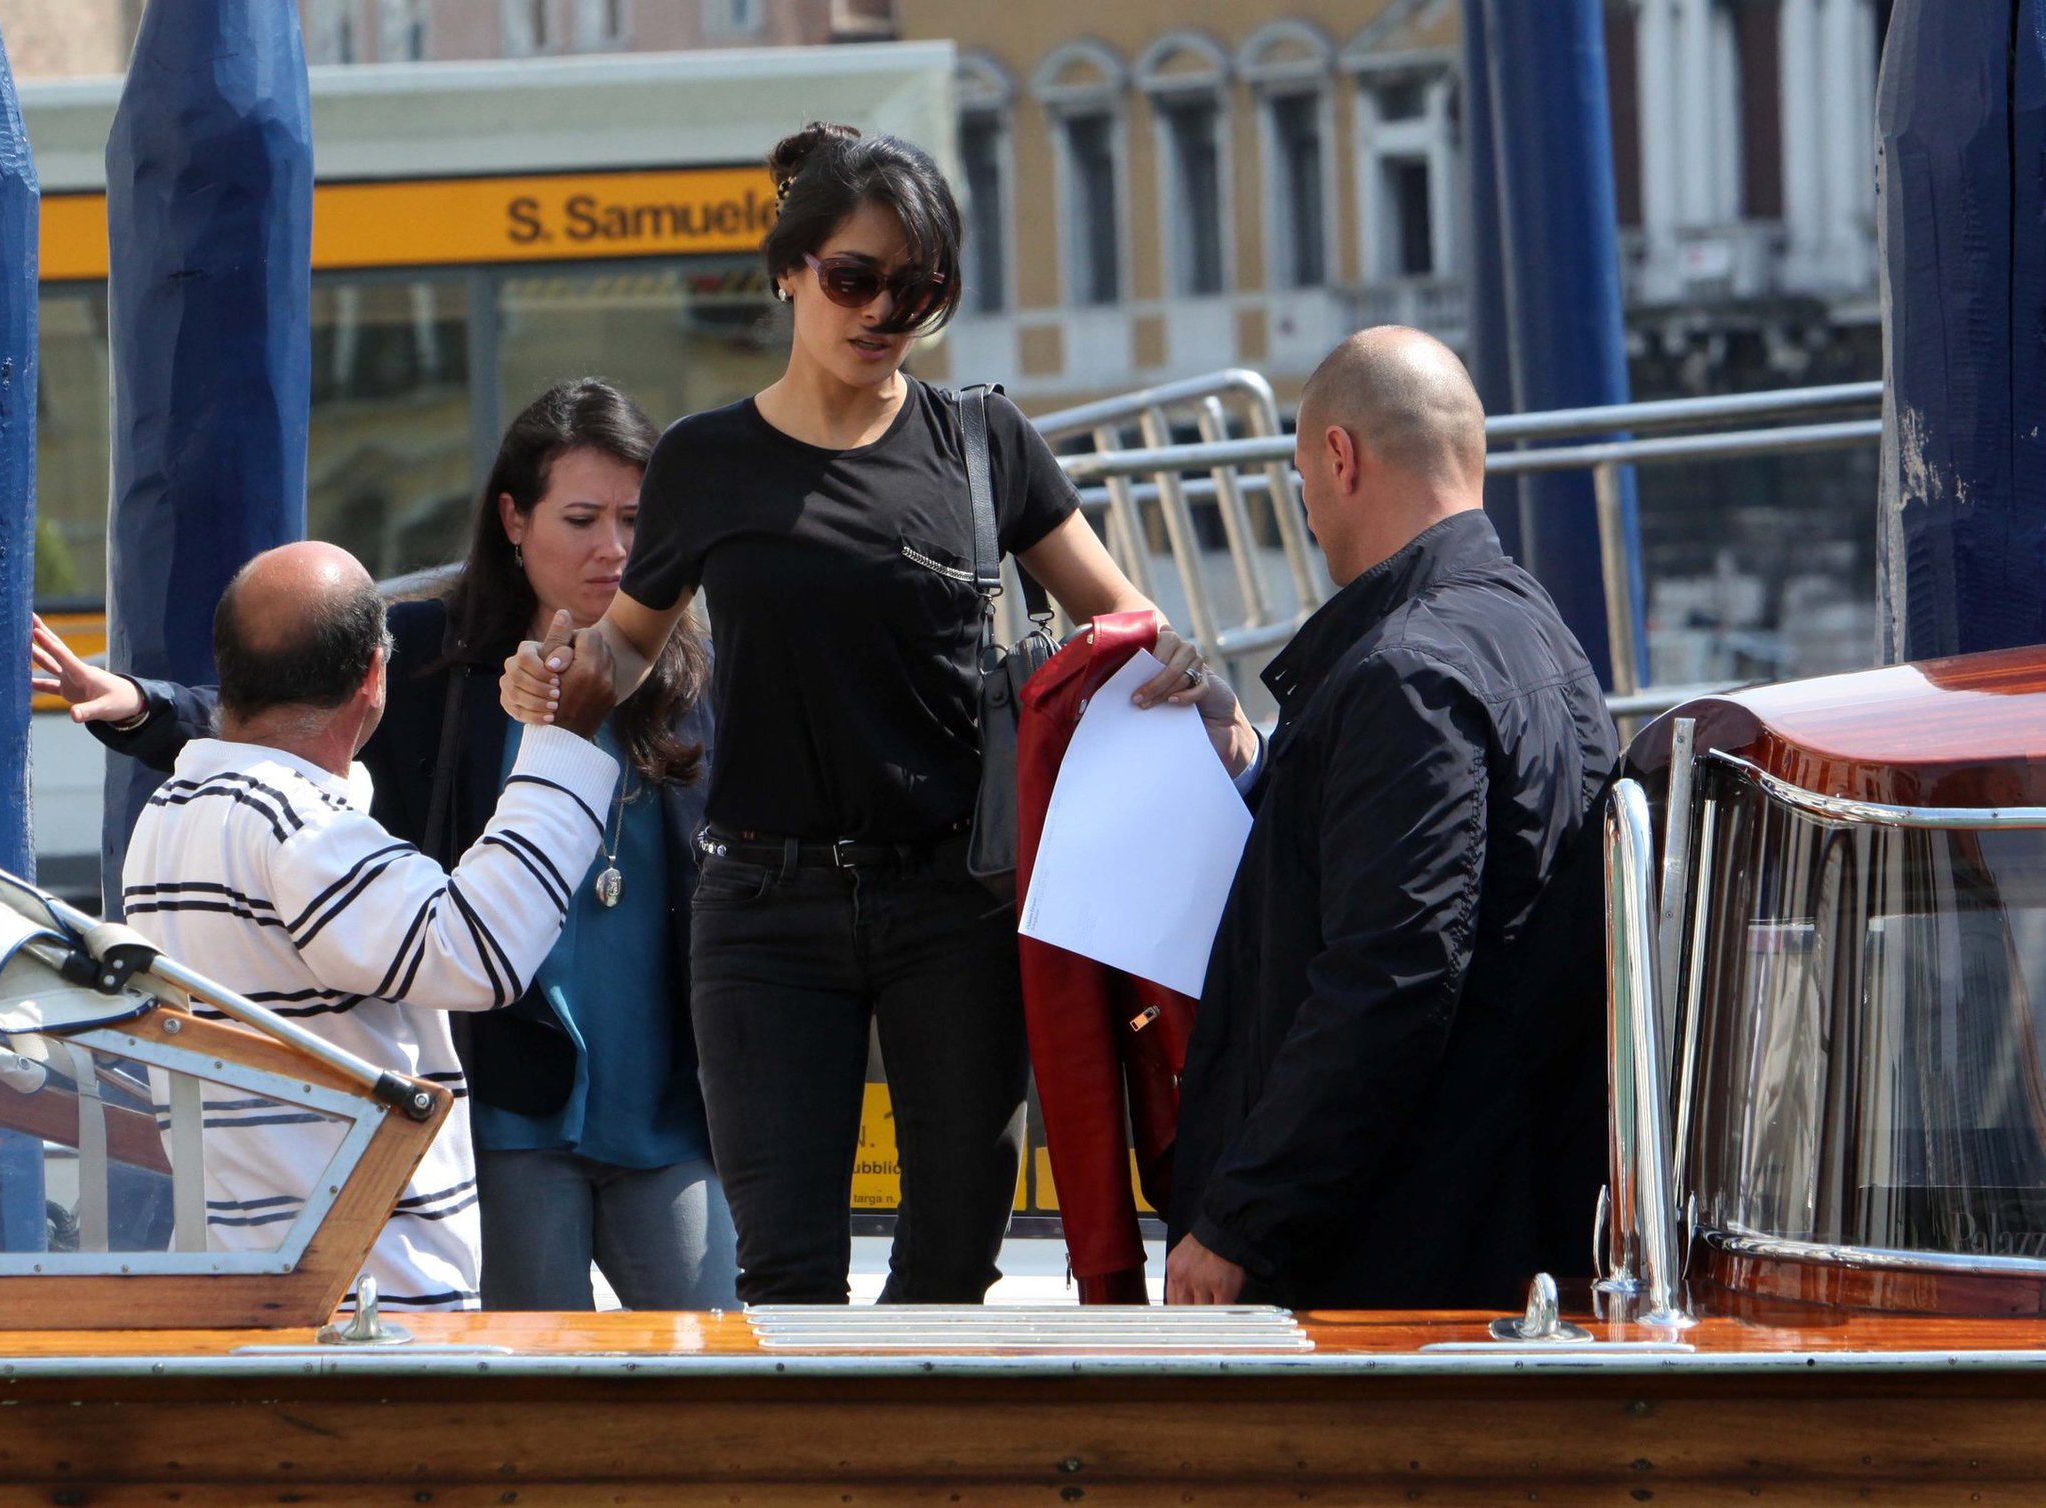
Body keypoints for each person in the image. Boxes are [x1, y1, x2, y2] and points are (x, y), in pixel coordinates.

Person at [506, 121, 1261, 1306]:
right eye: (855, 279)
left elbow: (1129, 624)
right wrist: (555, 681)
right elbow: (627, 650)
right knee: (790, 1272)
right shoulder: (707, 460)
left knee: (955, 1254)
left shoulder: (982, 441)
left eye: (921, 290)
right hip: (762, 903)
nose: (884, 312)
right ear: (788, 272)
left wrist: (1197, 680)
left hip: (954, 898)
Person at [33, 380, 738, 1312]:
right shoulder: (424, 651)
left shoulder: (689, 672)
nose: (612, 548)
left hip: (658, 1089)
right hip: (504, 1090)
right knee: (537, 1387)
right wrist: (143, 707)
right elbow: (288, 718)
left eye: (634, 520)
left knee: (710, 1347)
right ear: (513, 521)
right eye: (580, 517)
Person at [1164, 326, 1615, 1311]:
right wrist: (1255, 760)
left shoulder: (1400, 674)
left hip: (1392, 1263)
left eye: (1303, 481)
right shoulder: (1549, 642)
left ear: (1340, 457)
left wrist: (1240, 1218)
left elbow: (1388, 978)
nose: (1312, 515)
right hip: (1510, 1227)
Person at [114, 540, 618, 1310]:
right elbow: (477, 952)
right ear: (372, 678)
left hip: (254, 1271)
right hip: (365, 1299)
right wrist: (561, 741)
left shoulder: (175, 811)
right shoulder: (297, 826)